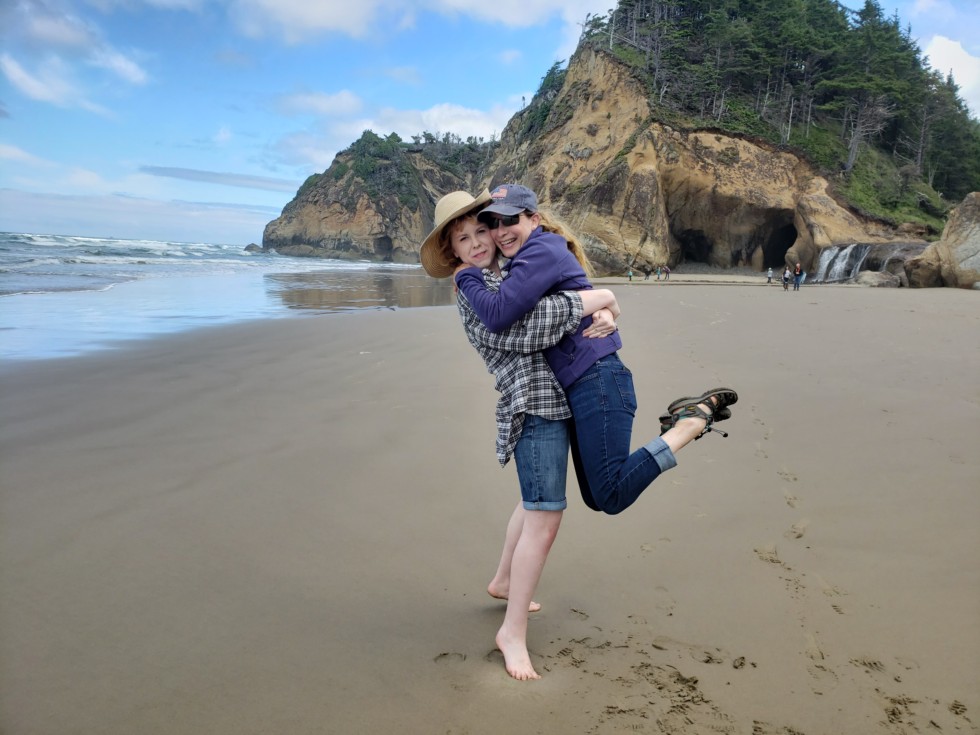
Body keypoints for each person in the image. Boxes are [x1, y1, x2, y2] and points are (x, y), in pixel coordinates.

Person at [419, 190, 623, 681]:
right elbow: (529, 329)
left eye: (480, 231)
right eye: (462, 239)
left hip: (552, 399)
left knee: (534, 505)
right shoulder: (473, 288)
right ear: (451, 251)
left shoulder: (506, 275)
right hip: (532, 406)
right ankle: (512, 632)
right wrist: (600, 298)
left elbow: (550, 303)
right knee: (545, 517)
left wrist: (605, 310)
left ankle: (503, 581)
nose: (475, 243)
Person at [455, 183, 737, 521]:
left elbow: (499, 314)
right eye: (493, 223)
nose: (501, 231)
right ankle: (681, 426)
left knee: (611, 495)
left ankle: (690, 423)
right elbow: (562, 295)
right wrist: (605, 303)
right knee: (595, 496)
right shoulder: (524, 260)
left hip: (596, 377)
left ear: (534, 219)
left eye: (510, 220)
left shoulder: (539, 250)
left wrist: (466, 277)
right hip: (581, 381)